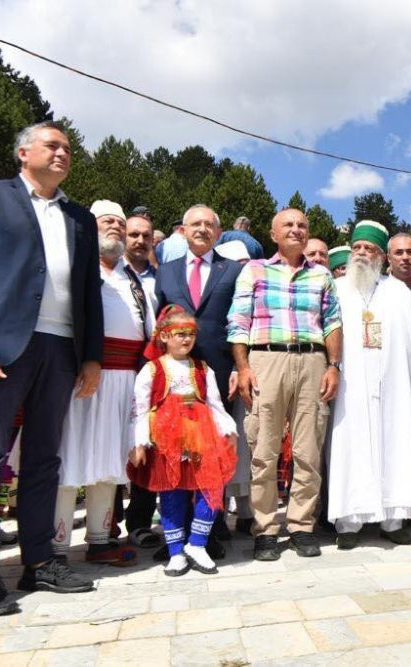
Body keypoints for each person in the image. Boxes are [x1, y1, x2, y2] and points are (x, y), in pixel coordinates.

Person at [0, 121, 103, 616]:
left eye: (68, 146)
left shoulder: (80, 218)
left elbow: (89, 293)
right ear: (24, 152)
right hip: (2, 349)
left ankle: (40, 561)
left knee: (45, 459)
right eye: (53, 144)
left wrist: (91, 356)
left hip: (61, 350)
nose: (64, 152)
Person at [127, 204, 242, 554]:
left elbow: (240, 320)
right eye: (196, 223)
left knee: (211, 454)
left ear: (219, 232)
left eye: (210, 224)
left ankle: (211, 531)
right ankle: (174, 533)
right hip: (171, 380)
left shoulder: (234, 270)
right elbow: (157, 321)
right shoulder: (167, 272)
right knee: (172, 457)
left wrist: (239, 365)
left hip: (218, 372)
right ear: (183, 230)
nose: (203, 229)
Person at [228, 208, 341, 561]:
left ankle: (301, 526)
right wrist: (243, 367)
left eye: (302, 225)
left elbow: (332, 322)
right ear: (273, 234)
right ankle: (265, 530)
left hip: (312, 360)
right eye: (288, 225)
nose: (296, 230)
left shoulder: (321, 275)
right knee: (263, 449)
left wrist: (334, 365)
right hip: (266, 360)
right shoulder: (254, 270)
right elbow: (238, 322)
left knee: (308, 449)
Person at [328, 221, 411, 549]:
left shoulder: (399, 293)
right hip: (350, 386)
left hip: (393, 388)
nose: (363, 254)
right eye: (358, 248)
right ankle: (348, 524)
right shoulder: (336, 289)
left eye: (371, 249)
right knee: (350, 447)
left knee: (396, 445)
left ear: (381, 256)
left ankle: (393, 520)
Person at [52, 200, 151, 568]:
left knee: (111, 461)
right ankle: (57, 547)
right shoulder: (76, 267)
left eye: (120, 224)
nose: (115, 228)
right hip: (80, 378)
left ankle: (99, 541)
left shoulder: (133, 278)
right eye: (107, 221)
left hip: (125, 380)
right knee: (69, 459)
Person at [128, 307, 237, 576]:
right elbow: (140, 409)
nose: (186, 340)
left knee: (210, 488)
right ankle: (175, 550)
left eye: (190, 334)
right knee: (171, 492)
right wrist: (139, 442)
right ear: (164, 336)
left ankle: (197, 543)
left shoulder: (202, 368)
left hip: (202, 437)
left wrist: (228, 430)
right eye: (179, 334)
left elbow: (214, 403)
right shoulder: (152, 370)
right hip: (167, 442)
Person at [124, 213, 157, 304]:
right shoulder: (108, 274)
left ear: (152, 240)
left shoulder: (161, 277)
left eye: (146, 236)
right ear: (123, 237)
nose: (141, 241)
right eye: (134, 235)